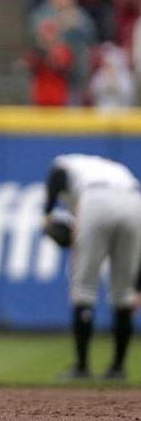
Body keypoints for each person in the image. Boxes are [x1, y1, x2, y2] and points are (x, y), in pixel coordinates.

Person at [42, 154, 141, 380]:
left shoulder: (66, 162)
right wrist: (138, 286)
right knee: (124, 294)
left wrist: (46, 215)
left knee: (84, 289)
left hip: (96, 199)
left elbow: (57, 175)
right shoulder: (114, 168)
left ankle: (82, 367)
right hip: (135, 200)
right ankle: (118, 368)